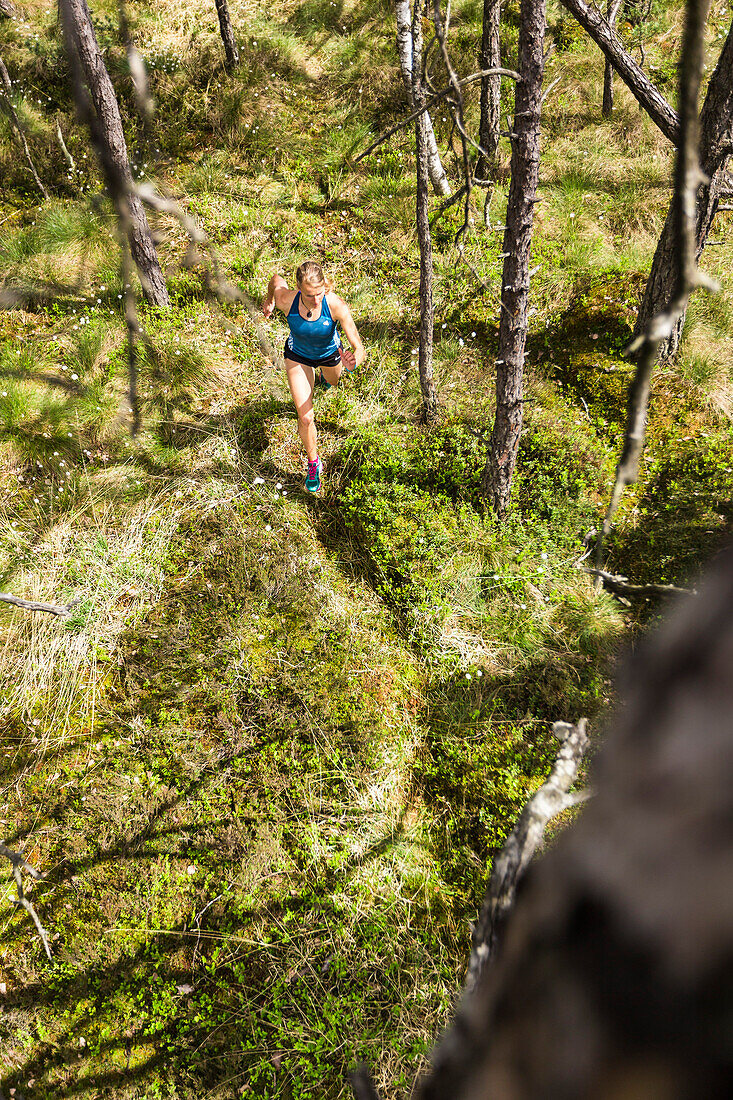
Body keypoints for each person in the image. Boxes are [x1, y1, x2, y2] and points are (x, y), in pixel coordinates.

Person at [262, 261, 366, 493]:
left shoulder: (335, 305)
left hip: (330, 355)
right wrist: (269, 299)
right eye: (309, 295)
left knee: (333, 381)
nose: (316, 300)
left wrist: (354, 361)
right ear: (299, 288)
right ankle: (313, 463)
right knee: (306, 417)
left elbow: (359, 348)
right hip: (298, 356)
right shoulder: (286, 300)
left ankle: (323, 381)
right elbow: (276, 280)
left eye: (319, 293)